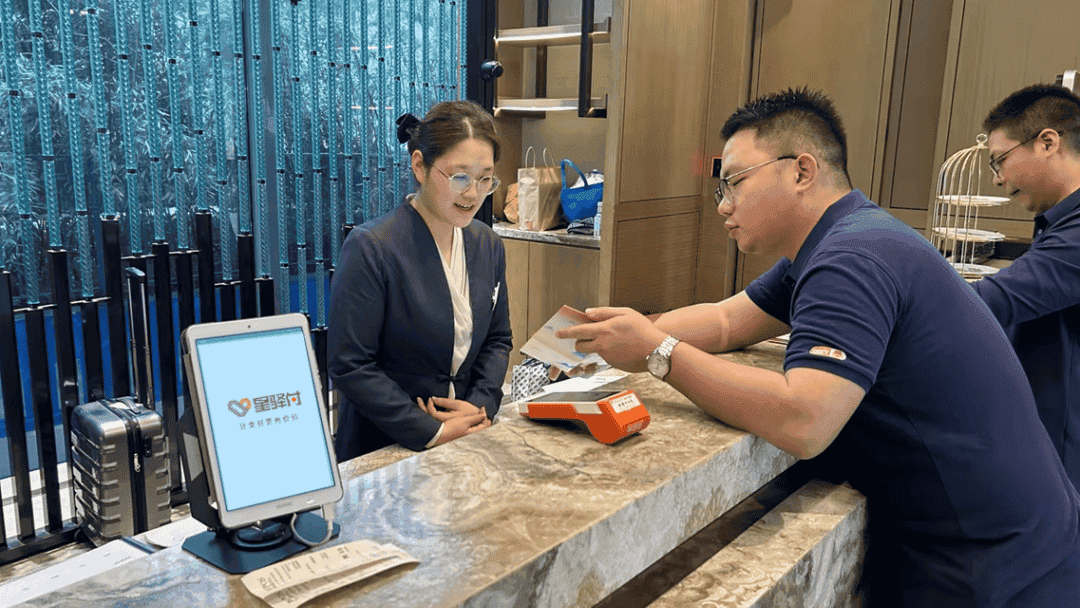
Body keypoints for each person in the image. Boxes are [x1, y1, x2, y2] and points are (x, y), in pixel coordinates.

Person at [557, 87, 1080, 606]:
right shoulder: (848, 235)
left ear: (802, 171)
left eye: (735, 182)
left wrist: (661, 353)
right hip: (1003, 536)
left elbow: (805, 418)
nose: (724, 205)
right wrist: (623, 333)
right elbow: (725, 321)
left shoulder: (851, 258)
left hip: (995, 562)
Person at [328, 100, 512, 461]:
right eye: (459, 177)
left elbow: (497, 339)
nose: (472, 193)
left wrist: (480, 407)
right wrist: (431, 429)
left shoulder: (487, 244)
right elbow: (350, 365)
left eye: (485, 179)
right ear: (419, 166)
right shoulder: (373, 247)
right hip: (386, 448)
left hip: (465, 438)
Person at [971, 84, 1080, 492]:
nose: (998, 179)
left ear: (1047, 142)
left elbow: (994, 301)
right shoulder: (1058, 222)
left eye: (1000, 161)